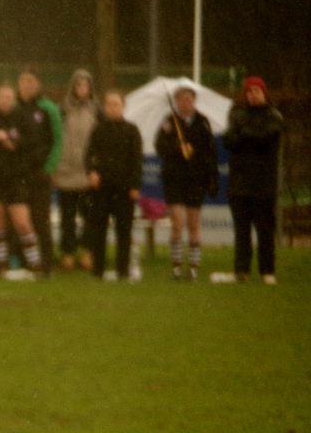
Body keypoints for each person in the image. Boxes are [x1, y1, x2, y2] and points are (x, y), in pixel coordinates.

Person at [0, 82, 45, 280]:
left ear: (14, 99)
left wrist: (12, 142)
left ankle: (36, 266)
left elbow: (32, 142)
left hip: (15, 176)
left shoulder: (21, 117)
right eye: (2, 97)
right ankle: (1, 266)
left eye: (9, 97)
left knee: (22, 222)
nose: (6, 100)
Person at [154, 80, 218, 282]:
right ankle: (176, 268)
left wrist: (211, 177)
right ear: (176, 101)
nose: (184, 103)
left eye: (188, 99)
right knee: (177, 223)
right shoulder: (168, 121)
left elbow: (209, 152)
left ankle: (193, 268)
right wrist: (177, 146)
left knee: (193, 223)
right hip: (174, 178)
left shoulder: (202, 121)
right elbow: (159, 146)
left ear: (194, 101)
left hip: (195, 179)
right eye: (180, 99)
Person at [223, 77, 283, 285]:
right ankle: (242, 270)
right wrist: (245, 136)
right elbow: (229, 141)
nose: (252, 95)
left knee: (265, 230)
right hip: (239, 184)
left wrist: (245, 134)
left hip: (264, 184)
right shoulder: (238, 116)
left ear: (264, 93)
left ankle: (267, 271)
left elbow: (265, 138)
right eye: (249, 92)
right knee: (242, 231)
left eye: (256, 91)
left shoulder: (274, 116)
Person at [84, 91, 144, 282]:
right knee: (98, 230)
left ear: (123, 107)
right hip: (101, 188)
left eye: (116, 104)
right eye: (109, 104)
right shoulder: (98, 128)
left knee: (123, 231)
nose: (112, 107)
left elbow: (137, 160)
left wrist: (135, 186)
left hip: (125, 188)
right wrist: (91, 172)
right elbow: (89, 155)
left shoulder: (131, 130)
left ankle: (123, 270)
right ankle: (98, 270)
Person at [16, 68, 62, 274]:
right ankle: (26, 261)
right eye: (23, 80)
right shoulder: (14, 108)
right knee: (20, 219)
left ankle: (47, 262)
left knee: (41, 219)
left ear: (38, 84)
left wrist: (49, 168)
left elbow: (58, 141)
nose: (27, 84)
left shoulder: (48, 108)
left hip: (40, 172)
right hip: (19, 173)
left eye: (31, 80)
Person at [53, 70, 99, 271]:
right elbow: (54, 140)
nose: (82, 89)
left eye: (85, 85)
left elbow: (101, 142)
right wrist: (54, 169)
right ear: (73, 87)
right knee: (67, 218)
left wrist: (96, 168)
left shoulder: (97, 110)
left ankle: (88, 252)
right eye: (78, 85)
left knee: (90, 217)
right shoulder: (62, 109)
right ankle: (68, 254)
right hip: (65, 172)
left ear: (90, 88)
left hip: (88, 173)